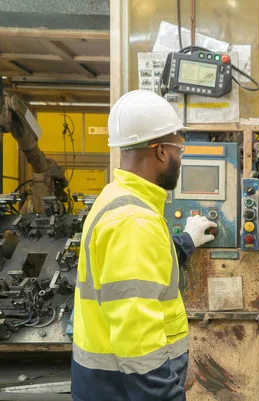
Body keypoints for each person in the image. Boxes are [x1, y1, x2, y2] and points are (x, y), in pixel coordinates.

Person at [71, 90, 217, 401]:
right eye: (179, 147)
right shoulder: (134, 220)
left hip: (106, 384)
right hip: (125, 390)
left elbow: (136, 274)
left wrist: (185, 241)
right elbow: (139, 344)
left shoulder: (116, 199)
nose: (181, 156)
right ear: (162, 151)